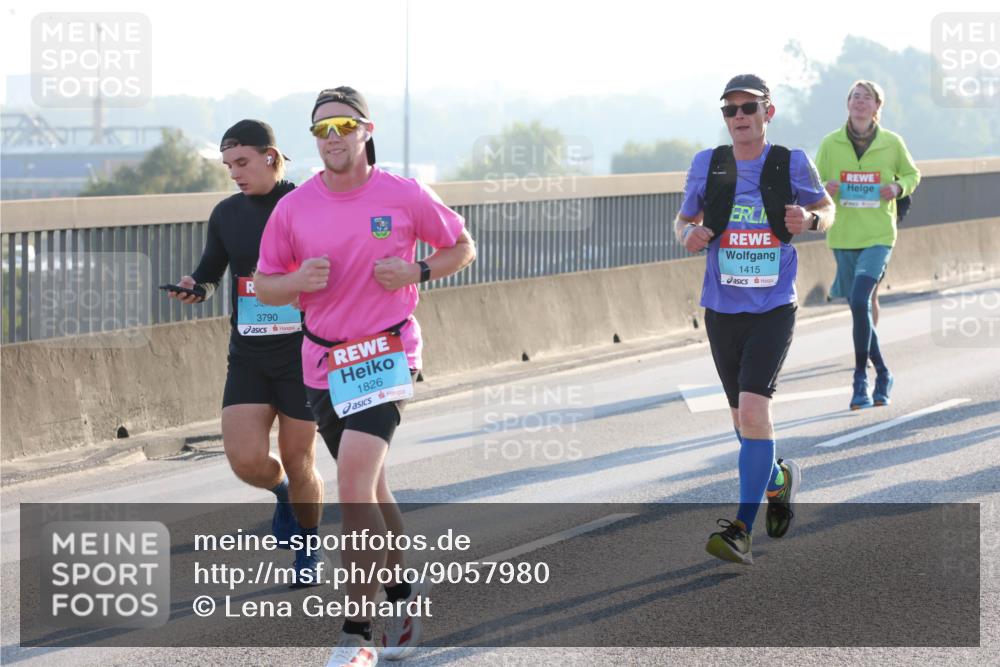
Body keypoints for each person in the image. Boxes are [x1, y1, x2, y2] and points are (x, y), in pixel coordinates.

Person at [254, 86, 476, 665]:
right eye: (322, 130)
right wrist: (297, 282)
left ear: (366, 130)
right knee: (373, 488)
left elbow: (463, 246)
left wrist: (418, 268)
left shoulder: (402, 194)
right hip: (323, 363)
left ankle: (355, 633)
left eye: (343, 126)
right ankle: (402, 592)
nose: (333, 138)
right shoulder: (294, 207)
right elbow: (265, 284)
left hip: (387, 353)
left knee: (354, 488)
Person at [674, 74, 834, 564]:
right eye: (730, 109)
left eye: (749, 107)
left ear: (769, 111)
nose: (739, 117)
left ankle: (741, 529)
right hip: (721, 309)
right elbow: (683, 219)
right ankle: (778, 480)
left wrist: (808, 222)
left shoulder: (790, 161)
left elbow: (826, 210)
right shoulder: (708, 163)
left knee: (753, 410)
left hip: (773, 308)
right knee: (742, 423)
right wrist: (687, 235)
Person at [166, 120, 325, 582]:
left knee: (300, 460)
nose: (234, 173)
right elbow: (212, 271)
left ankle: (307, 547)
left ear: (270, 157)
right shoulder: (226, 213)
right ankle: (282, 495)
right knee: (246, 460)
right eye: (228, 165)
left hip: (302, 351)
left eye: (242, 162)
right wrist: (196, 286)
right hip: (249, 353)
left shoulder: (304, 204)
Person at [815, 80, 920, 409]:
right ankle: (884, 372)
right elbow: (810, 184)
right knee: (858, 306)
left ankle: (860, 379)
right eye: (855, 97)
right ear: (847, 104)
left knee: (860, 299)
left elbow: (912, 175)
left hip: (878, 235)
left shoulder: (892, 143)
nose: (860, 102)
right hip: (843, 235)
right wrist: (825, 188)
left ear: (877, 107)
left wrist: (898, 188)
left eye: (867, 98)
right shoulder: (831, 143)